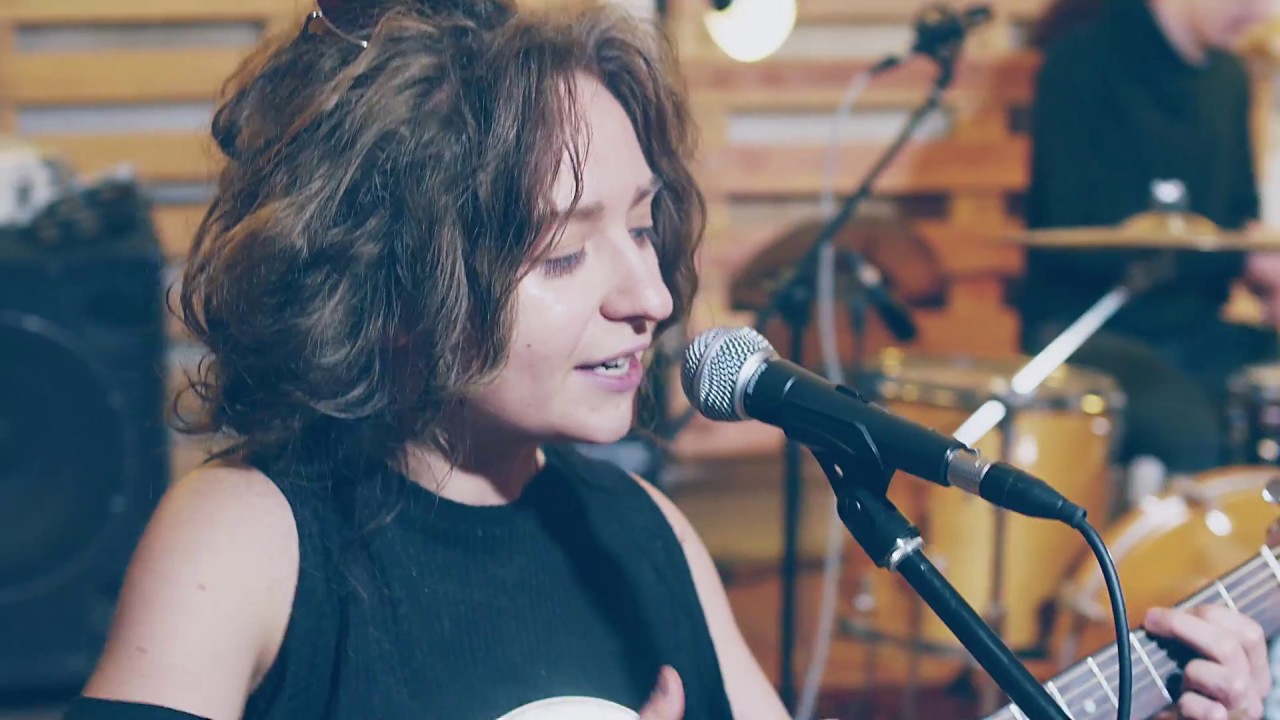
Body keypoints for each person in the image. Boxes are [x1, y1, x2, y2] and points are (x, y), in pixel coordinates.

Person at [60, 1, 1271, 719]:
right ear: (393, 280)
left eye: (642, 230)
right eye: (561, 252)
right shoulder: (250, 538)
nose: (648, 298)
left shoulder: (641, 533)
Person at [1017, 0, 1280, 477]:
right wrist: (1229, 258)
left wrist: (1263, 271)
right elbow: (1073, 231)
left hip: (1196, 329)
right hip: (1091, 330)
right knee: (1188, 428)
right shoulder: (1080, 64)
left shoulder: (1230, 78)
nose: (1262, 13)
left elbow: (1238, 214)